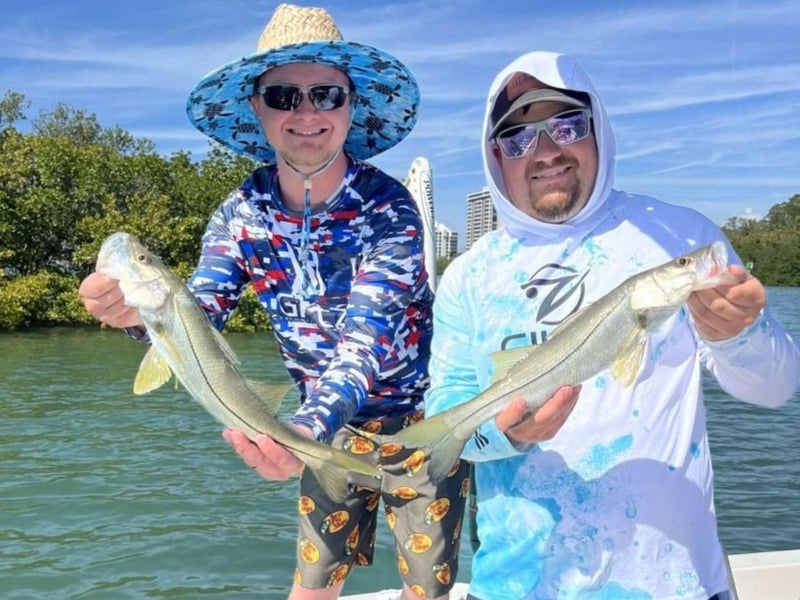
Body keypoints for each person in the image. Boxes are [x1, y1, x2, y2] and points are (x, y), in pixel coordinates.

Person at [78, 4, 469, 599]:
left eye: (327, 95)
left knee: (429, 590)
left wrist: (300, 434)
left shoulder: (391, 208)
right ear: (257, 108)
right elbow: (197, 311)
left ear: (352, 105)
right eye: (284, 96)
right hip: (319, 430)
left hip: (421, 425)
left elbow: (366, 340)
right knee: (310, 586)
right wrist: (136, 318)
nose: (307, 113)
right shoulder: (241, 212)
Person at [424, 50, 800, 600]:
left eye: (567, 125)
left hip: (676, 585)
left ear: (598, 129)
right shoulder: (466, 275)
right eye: (518, 137)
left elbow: (775, 389)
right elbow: (447, 424)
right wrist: (507, 434)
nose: (547, 151)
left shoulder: (681, 238)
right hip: (518, 585)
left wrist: (736, 334)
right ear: (493, 156)